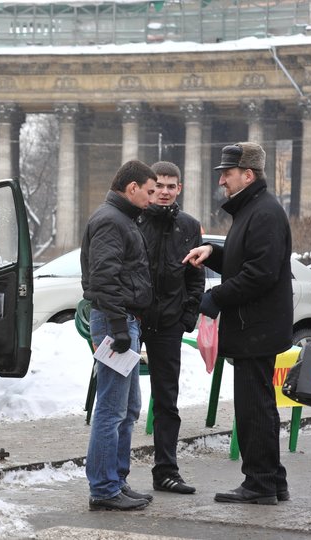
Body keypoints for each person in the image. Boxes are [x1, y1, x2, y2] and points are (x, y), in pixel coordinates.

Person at [183, 142, 291, 505]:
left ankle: (259, 484)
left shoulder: (263, 212)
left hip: (254, 328)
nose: (222, 182)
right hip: (254, 327)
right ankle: (273, 480)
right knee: (259, 405)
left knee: (253, 409)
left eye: (227, 175)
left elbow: (260, 273)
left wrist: (215, 298)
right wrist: (214, 253)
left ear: (247, 175)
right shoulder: (255, 210)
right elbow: (248, 261)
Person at [80, 160, 157, 511]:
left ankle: (117, 481)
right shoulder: (111, 220)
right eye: (150, 191)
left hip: (124, 320)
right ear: (132, 188)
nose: (153, 198)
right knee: (111, 410)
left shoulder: (122, 219)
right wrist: (115, 327)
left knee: (128, 408)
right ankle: (104, 488)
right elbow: (104, 278)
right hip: (116, 321)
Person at [137, 161, 204, 495]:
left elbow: (196, 276)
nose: (164, 191)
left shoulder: (189, 226)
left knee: (167, 401)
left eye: (170, 186)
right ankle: (115, 475)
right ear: (150, 187)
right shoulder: (134, 219)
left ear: (180, 189)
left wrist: (186, 318)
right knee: (122, 402)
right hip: (134, 323)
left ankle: (166, 471)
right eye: (159, 185)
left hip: (168, 325)